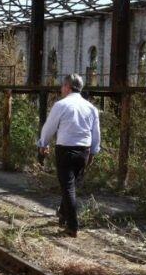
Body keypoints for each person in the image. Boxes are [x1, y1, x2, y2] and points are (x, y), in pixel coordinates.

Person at [37, 74, 100, 237]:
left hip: (65, 150)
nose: (61, 89)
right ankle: (63, 215)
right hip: (84, 151)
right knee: (71, 185)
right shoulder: (91, 108)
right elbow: (96, 133)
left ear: (67, 87)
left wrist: (43, 144)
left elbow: (49, 126)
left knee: (68, 186)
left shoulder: (61, 105)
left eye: (62, 86)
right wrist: (93, 151)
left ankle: (72, 226)